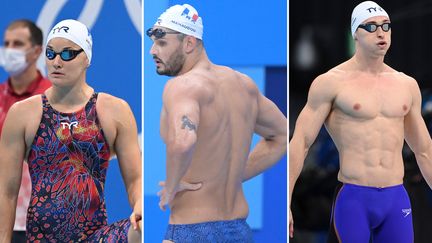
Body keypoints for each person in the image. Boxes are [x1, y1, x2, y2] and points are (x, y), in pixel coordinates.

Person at [289, 1, 432, 242]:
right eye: (371, 26)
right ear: (355, 32)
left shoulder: (407, 85)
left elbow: (424, 149)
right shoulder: (330, 83)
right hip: (354, 199)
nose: (381, 33)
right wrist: (286, 204)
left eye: (386, 26)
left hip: (396, 198)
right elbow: (300, 143)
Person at [147, 4, 287, 242]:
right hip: (238, 230)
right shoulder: (244, 85)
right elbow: (282, 135)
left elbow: (183, 142)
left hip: (192, 230)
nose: (152, 51)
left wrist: (170, 188)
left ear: (189, 43)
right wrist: (235, 175)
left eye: (162, 43)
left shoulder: (182, 86)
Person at [0, 19, 142, 242]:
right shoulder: (23, 113)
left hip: (95, 237)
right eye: (50, 53)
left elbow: (135, 179)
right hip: (41, 239)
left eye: (67, 54)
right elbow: (6, 192)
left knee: (142, 229)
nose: (56, 62)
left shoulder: (114, 111)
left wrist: (140, 204)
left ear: (87, 58)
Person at [0, 19, 51, 243]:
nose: (9, 50)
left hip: (42, 220)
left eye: (18, 44)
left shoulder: (54, 99)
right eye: (6, 43)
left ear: (37, 51)